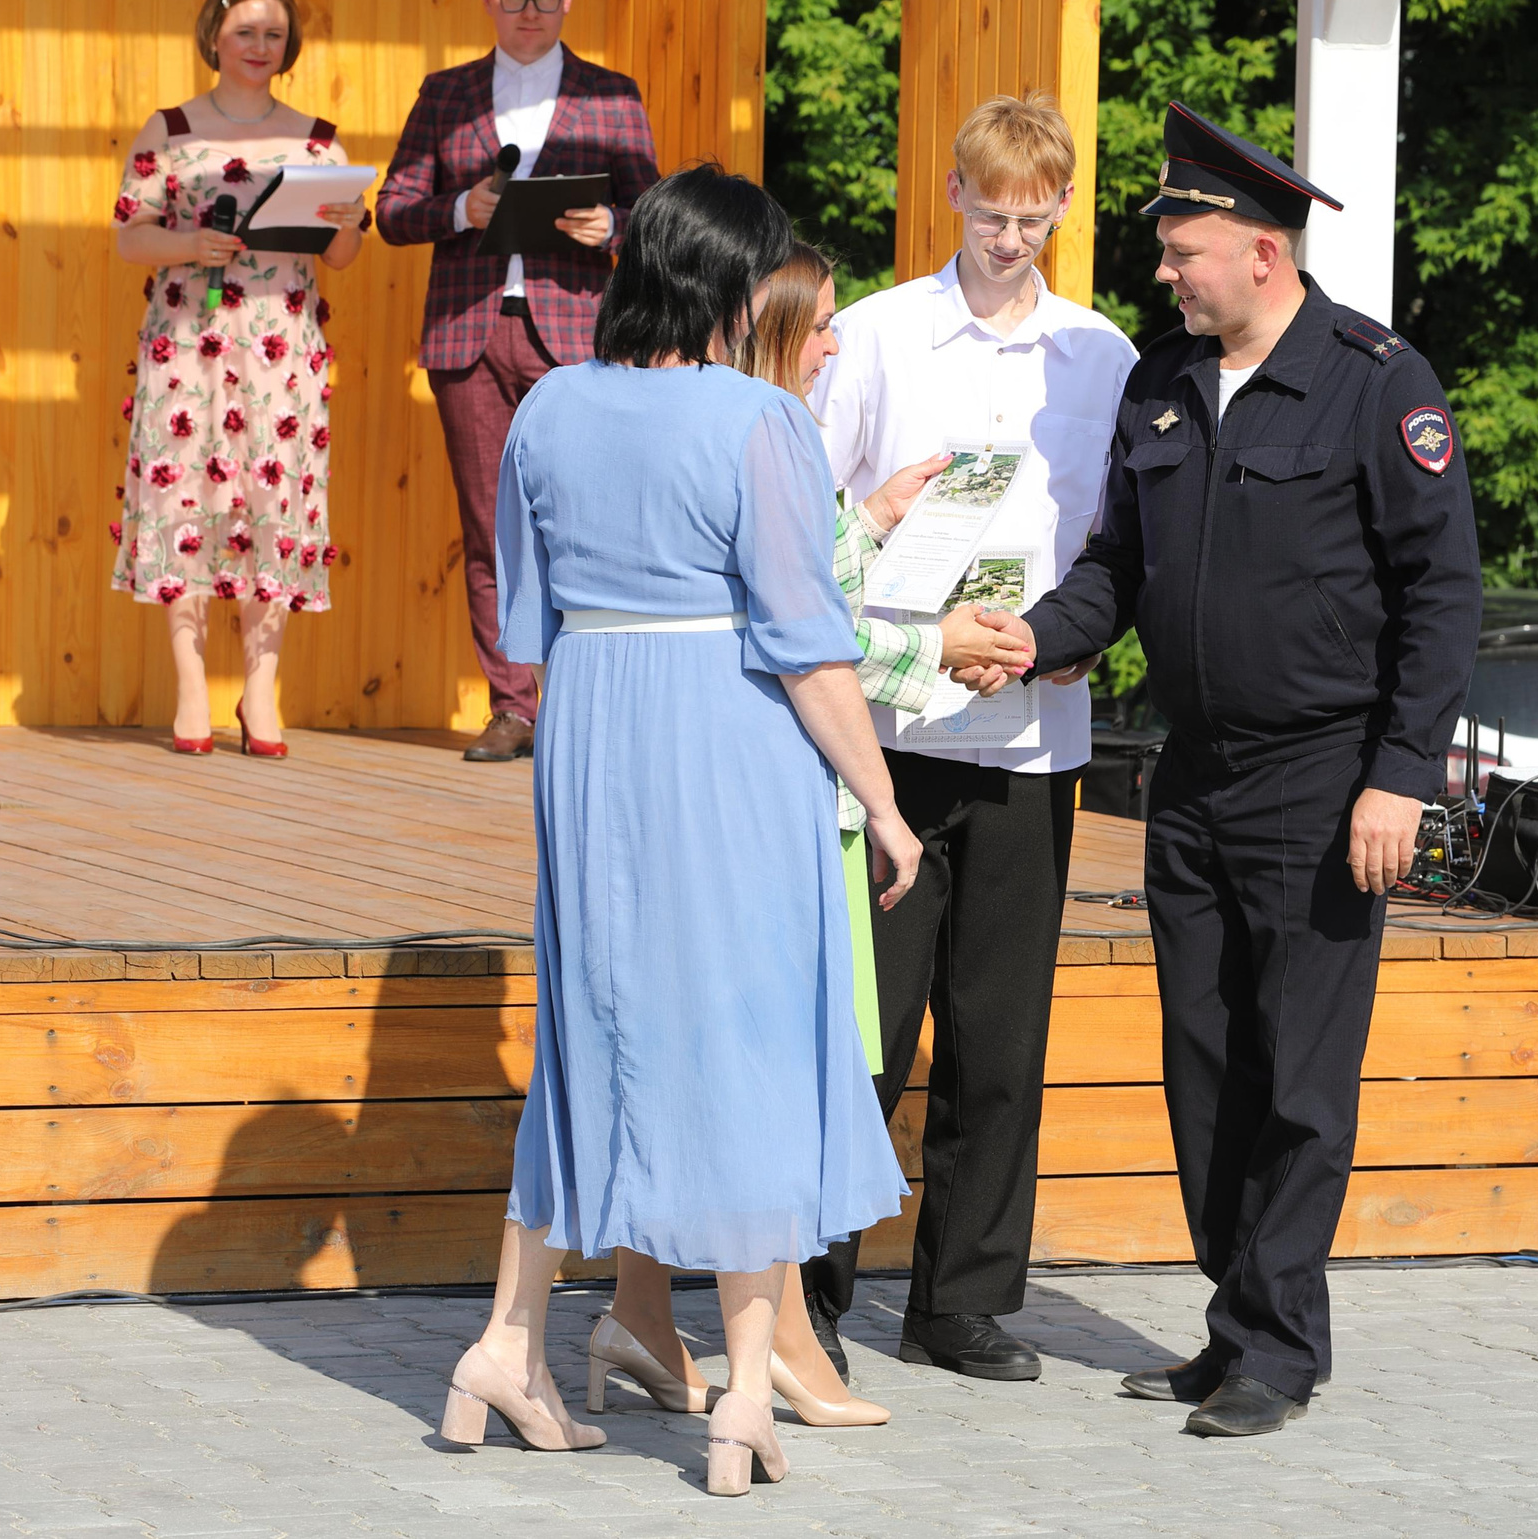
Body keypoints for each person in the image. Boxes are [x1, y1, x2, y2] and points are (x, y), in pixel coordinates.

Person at [989, 102, 1481, 1437]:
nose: (1165, 271)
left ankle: (1279, 1340)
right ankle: (1236, 1312)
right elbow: (1117, 574)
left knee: (1302, 1074)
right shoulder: (1161, 384)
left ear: (1264, 251)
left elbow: (1442, 595)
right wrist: (1031, 640)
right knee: (1204, 1060)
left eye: (1184, 249)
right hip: (1193, 777)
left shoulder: (1379, 382)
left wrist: (1402, 774)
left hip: (1328, 783)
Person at [436, 167, 912, 1500]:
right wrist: (880, 798)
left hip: (592, 726)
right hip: (728, 732)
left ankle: (507, 1341)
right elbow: (810, 645)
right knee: (748, 1022)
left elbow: (523, 620)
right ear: (724, 279)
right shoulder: (760, 417)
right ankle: (745, 1392)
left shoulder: (548, 408)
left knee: (599, 1025)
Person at [588, 244, 1027, 1427]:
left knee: (686, 1044)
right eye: (822, 325)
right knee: (776, 1063)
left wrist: (874, 519)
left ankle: (640, 1307)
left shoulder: (711, 429)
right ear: (766, 326)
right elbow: (804, 640)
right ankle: (776, 1334)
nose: (837, 345)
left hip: (684, 779)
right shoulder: (760, 434)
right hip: (776, 798)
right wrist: (940, 652)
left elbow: (799, 600)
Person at [798, 94, 1137, 1384]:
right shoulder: (877, 334)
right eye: (988, 214)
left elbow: (1113, 541)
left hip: (1030, 729)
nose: (1007, 238)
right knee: (865, 1027)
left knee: (1000, 1034)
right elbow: (816, 513)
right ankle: (811, 1289)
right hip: (888, 726)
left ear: (1061, 208)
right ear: (951, 194)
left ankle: (962, 1302)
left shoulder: (1096, 354)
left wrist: (1050, 639)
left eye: (1031, 217)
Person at [377, 0, 662, 763]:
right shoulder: (445, 93)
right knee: (488, 527)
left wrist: (612, 224)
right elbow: (393, 208)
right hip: (469, 331)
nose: (528, 10)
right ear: (487, 1)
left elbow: (654, 214)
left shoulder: (612, 95)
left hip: (577, 332)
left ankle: (582, 702)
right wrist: (456, 211)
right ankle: (513, 706)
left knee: (589, 522)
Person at [112, 0, 367, 758]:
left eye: (274, 35)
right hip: (189, 336)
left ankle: (262, 687)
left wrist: (353, 221)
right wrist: (191, 244)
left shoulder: (319, 138)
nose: (261, 47)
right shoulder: (171, 128)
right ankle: (190, 683)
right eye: (247, 32)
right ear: (215, 35)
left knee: (272, 499)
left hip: (282, 344)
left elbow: (344, 254)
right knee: (184, 492)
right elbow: (129, 236)